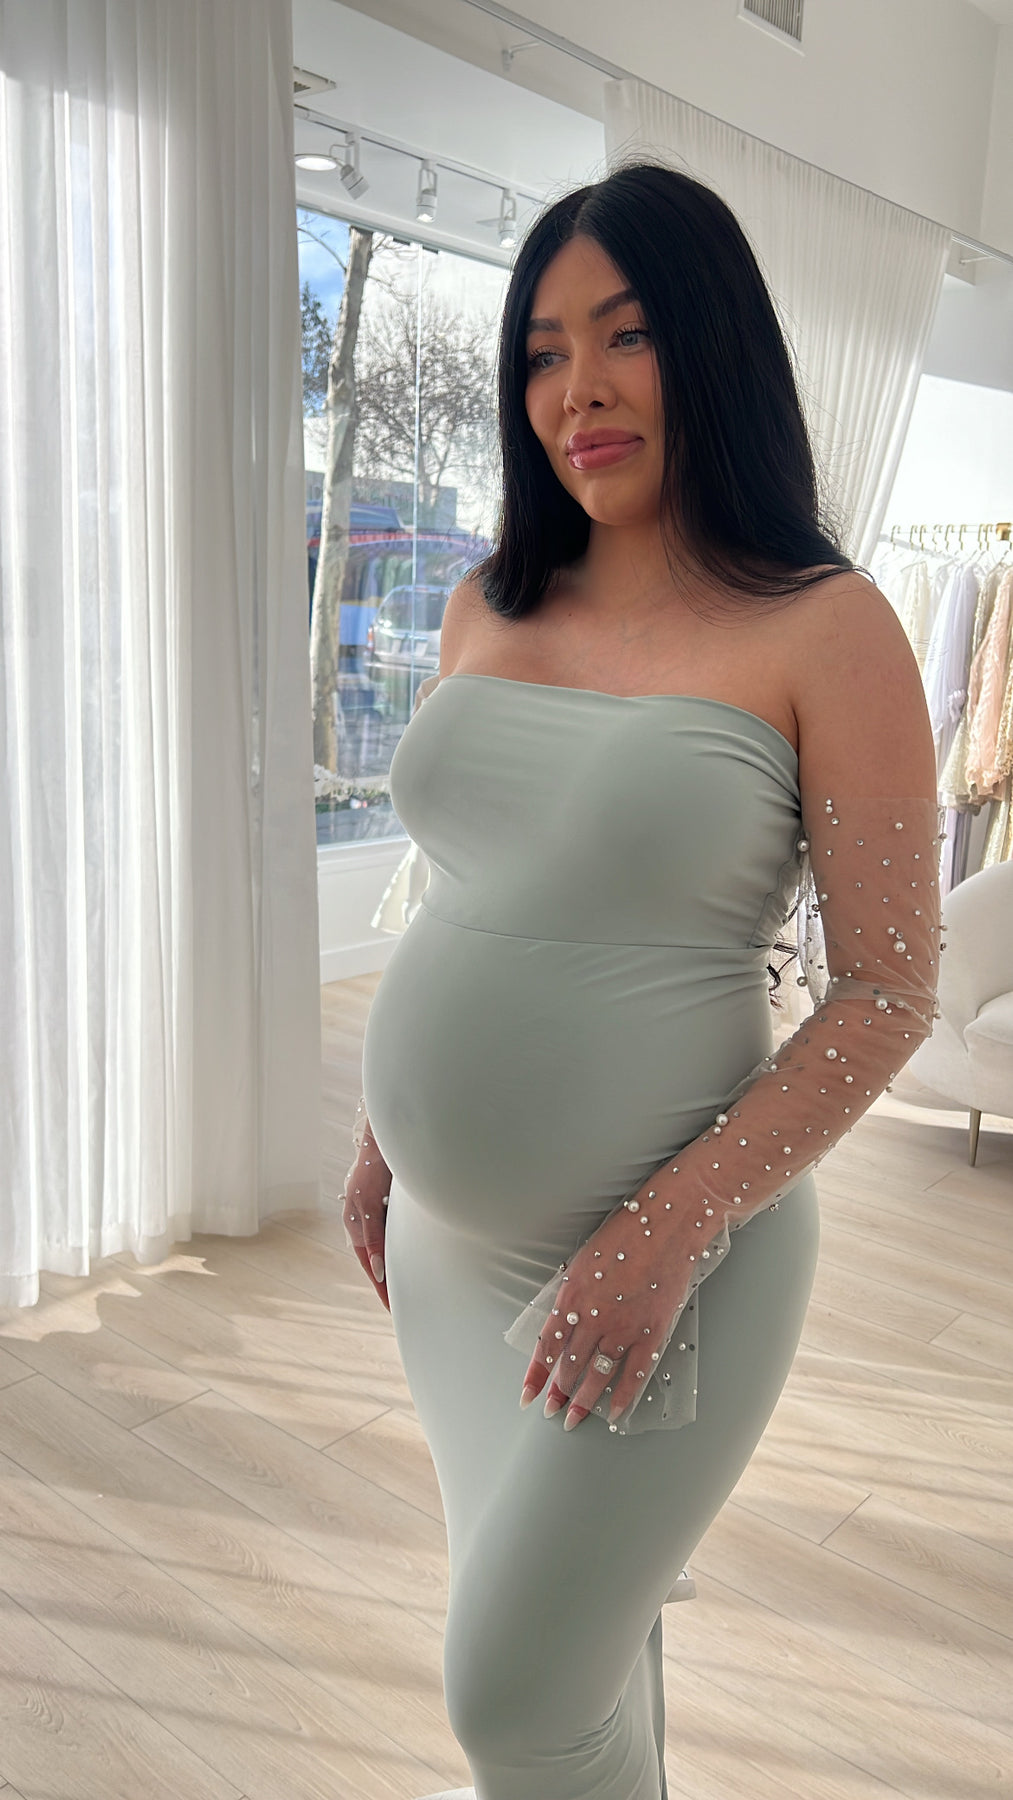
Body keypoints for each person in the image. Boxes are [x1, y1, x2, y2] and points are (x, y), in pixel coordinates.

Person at [342, 160, 943, 1800]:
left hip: (676, 1251)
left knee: (513, 1697)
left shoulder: (826, 628)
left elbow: (887, 990)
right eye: (541, 352)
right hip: (449, 1249)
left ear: (713, 346)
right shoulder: (487, 599)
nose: (577, 390)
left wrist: (668, 1231)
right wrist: (389, 1133)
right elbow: (474, 882)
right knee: (579, 1654)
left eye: (623, 335)